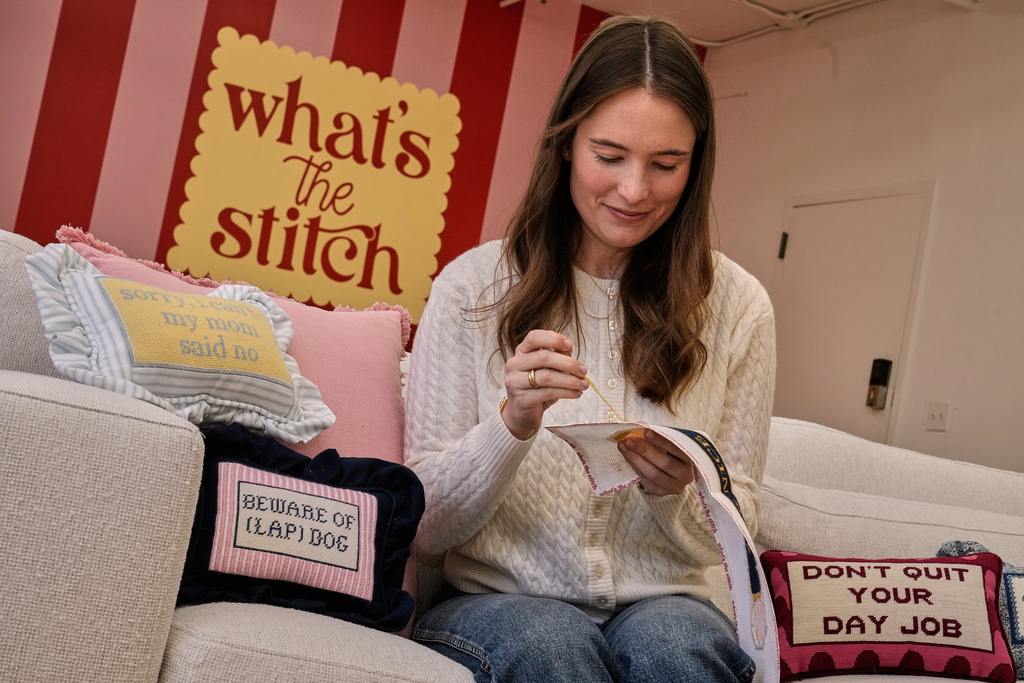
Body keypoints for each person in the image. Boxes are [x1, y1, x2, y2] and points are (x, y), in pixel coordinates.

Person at [403, 14, 775, 683]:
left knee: (679, 650)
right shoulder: (470, 288)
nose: (634, 191)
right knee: (554, 644)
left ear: (696, 164)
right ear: (567, 143)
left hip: (671, 602)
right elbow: (426, 527)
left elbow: (737, 538)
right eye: (609, 156)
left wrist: (677, 494)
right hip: (498, 603)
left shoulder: (738, 305)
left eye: (666, 165)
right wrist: (509, 427)